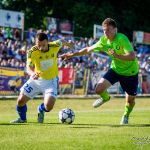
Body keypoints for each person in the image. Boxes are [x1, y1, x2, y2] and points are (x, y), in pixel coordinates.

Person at [60, 18, 139, 125]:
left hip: (130, 73)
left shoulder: (122, 38)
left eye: (108, 30)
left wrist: (117, 55)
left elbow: (132, 56)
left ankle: (125, 115)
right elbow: (88, 49)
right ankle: (105, 98)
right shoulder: (103, 41)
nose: (106, 33)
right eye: (104, 30)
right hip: (115, 70)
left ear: (115, 30)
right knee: (98, 89)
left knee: (130, 101)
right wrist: (72, 55)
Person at [10, 32, 74, 123]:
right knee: (20, 101)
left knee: (49, 106)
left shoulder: (55, 45)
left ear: (47, 42)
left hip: (51, 81)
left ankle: (41, 109)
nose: (40, 48)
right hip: (36, 80)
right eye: (38, 45)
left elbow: (62, 41)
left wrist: (69, 44)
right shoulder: (32, 51)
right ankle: (22, 119)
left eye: (43, 45)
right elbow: (28, 67)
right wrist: (32, 73)